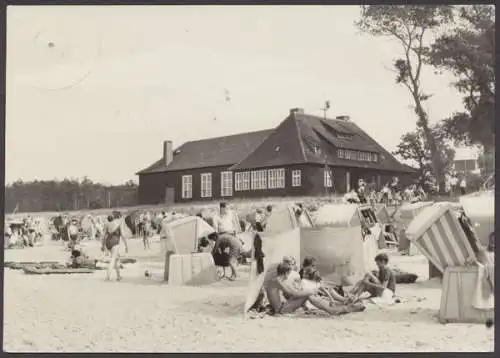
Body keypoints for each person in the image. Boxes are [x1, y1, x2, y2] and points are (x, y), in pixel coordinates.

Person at [262, 258, 361, 316]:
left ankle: (336, 307)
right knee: (307, 294)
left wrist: (308, 291)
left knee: (307, 293)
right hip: (281, 310)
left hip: (282, 306)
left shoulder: (276, 280)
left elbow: (291, 291)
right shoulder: (277, 281)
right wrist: (309, 292)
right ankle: (333, 310)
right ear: (286, 272)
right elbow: (292, 293)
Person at [102, 215, 128, 281]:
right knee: (113, 259)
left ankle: (118, 276)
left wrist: (102, 245)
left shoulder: (106, 225)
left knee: (117, 259)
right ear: (114, 219)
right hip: (115, 243)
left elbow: (103, 236)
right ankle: (108, 277)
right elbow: (123, 236)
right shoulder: (118, 224)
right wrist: (126, 245)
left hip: (108, 243)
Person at [159, 212, 176, 282]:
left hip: (168, 246)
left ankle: (166, 277)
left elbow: (162, 237)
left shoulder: (165, 227)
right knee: (170, 261)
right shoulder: (169, 227)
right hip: (170, 246)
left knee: (168, 261)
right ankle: (167, 277)